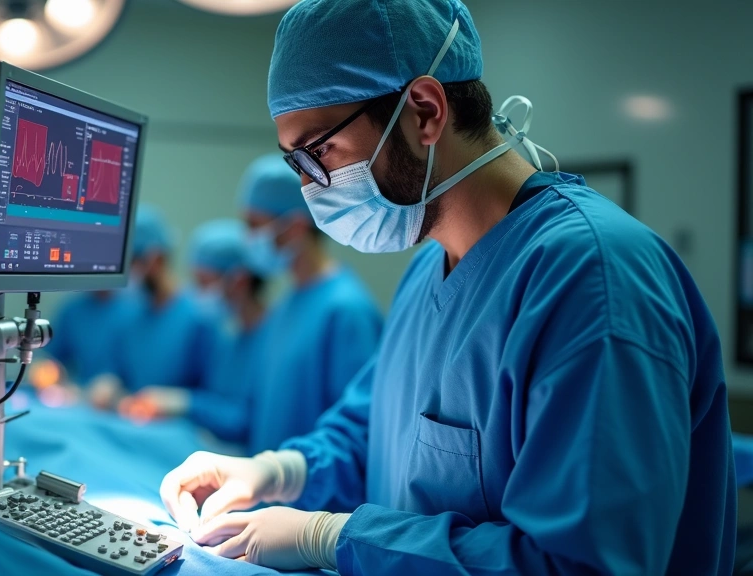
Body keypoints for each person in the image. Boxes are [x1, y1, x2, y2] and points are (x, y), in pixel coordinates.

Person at [159, 1, 735, 574]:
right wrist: (279, 471)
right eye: (297, 167)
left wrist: (333, 537)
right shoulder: (428, 269)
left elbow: (579, 564)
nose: (313, 189)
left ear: (425, 111)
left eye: (320, 152)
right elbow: (375, 431)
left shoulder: (593, 280)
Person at [239, 154, 382, 454]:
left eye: (254, 224)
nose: (248, 238)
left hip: (313, 496)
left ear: (295, 227)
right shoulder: (285, 304)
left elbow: (358, 437)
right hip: (268, 492)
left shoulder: (347, 311)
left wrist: (287, 476)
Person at [121, 219, 268, 447]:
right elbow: (218, 402)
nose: (196, 294)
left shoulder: (270, 341)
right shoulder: (233, 339)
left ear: (239, 281)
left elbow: (250, 421)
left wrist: (186, 403)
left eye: (204, 282)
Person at [88, 204, 219, 410]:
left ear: (155, 259)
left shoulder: (199, 319)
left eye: (129, 264)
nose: (124, 274)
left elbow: (214, 399)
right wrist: (109, 382)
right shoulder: (128, 315)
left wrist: (179, 403)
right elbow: (117, 368)